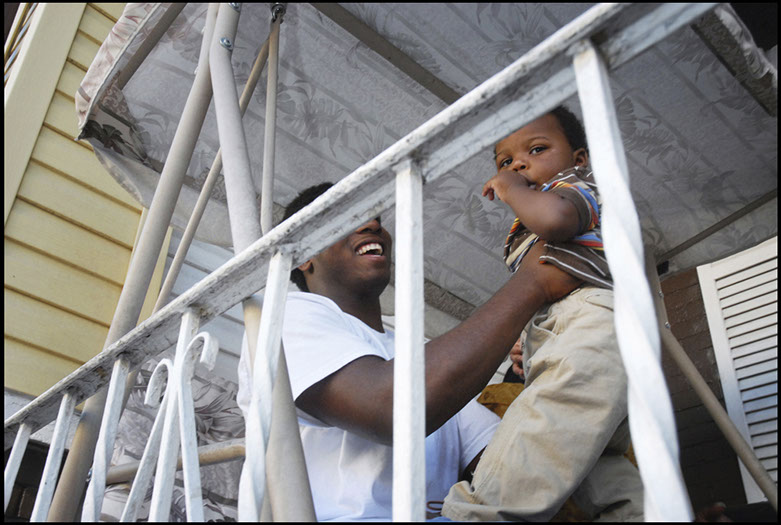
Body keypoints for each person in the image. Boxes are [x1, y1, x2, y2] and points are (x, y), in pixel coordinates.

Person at [236, 181, 582, 521]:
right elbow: (392, 411)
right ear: (303, 256)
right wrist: (532, 282)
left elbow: (507, 468)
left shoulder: (429, 362)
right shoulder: (284, 316)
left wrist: (542, 365)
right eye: (346, 217)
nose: (372, 224)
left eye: (375, 218)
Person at [441, 106, 645, 521]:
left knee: (548, 422)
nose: (518, 164)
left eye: (536, 150)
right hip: (575, 330)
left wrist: (511, 188)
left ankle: (479, 515)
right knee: (597, 461)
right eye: (505, 162)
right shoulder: (540, 211)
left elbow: (554, 220)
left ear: (579, 158)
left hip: (592, 322)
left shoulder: (577, 186)